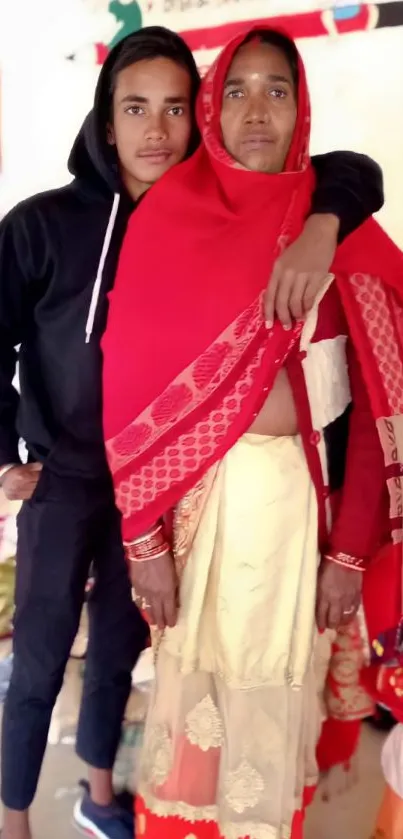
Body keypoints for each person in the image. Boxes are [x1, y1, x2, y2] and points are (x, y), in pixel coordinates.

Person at [0, 23, 385, 839]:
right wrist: (11, 463)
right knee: (57, 660)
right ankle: (22, 817)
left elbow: (353, 177)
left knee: (153, 663)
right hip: (123, 488)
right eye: (135, 108)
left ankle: (117, 796)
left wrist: (325, 220)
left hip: (238, 502)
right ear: (106, 120)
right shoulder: (99, 223)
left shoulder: (287, 216)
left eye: (175, 108)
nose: (155, 128)